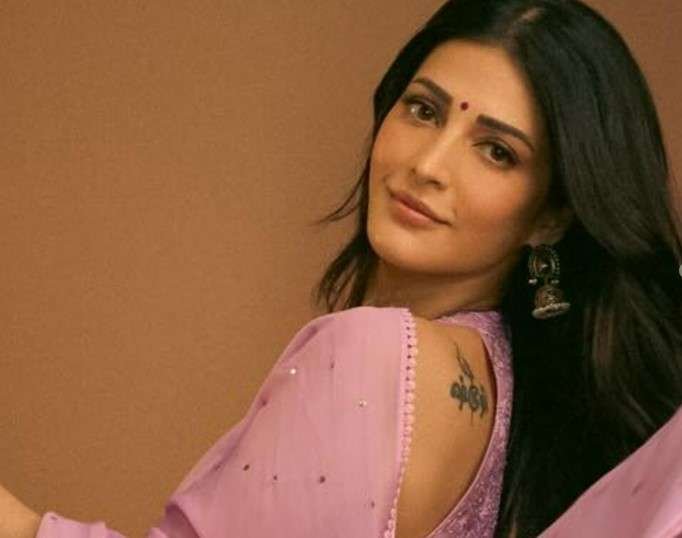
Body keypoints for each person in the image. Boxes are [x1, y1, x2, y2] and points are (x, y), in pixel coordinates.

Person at [2, 0, 681, 536]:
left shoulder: (374, 355)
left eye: (496, 151)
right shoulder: (502, 390)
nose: (428, 164)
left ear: (552, 216)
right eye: (423, 110)